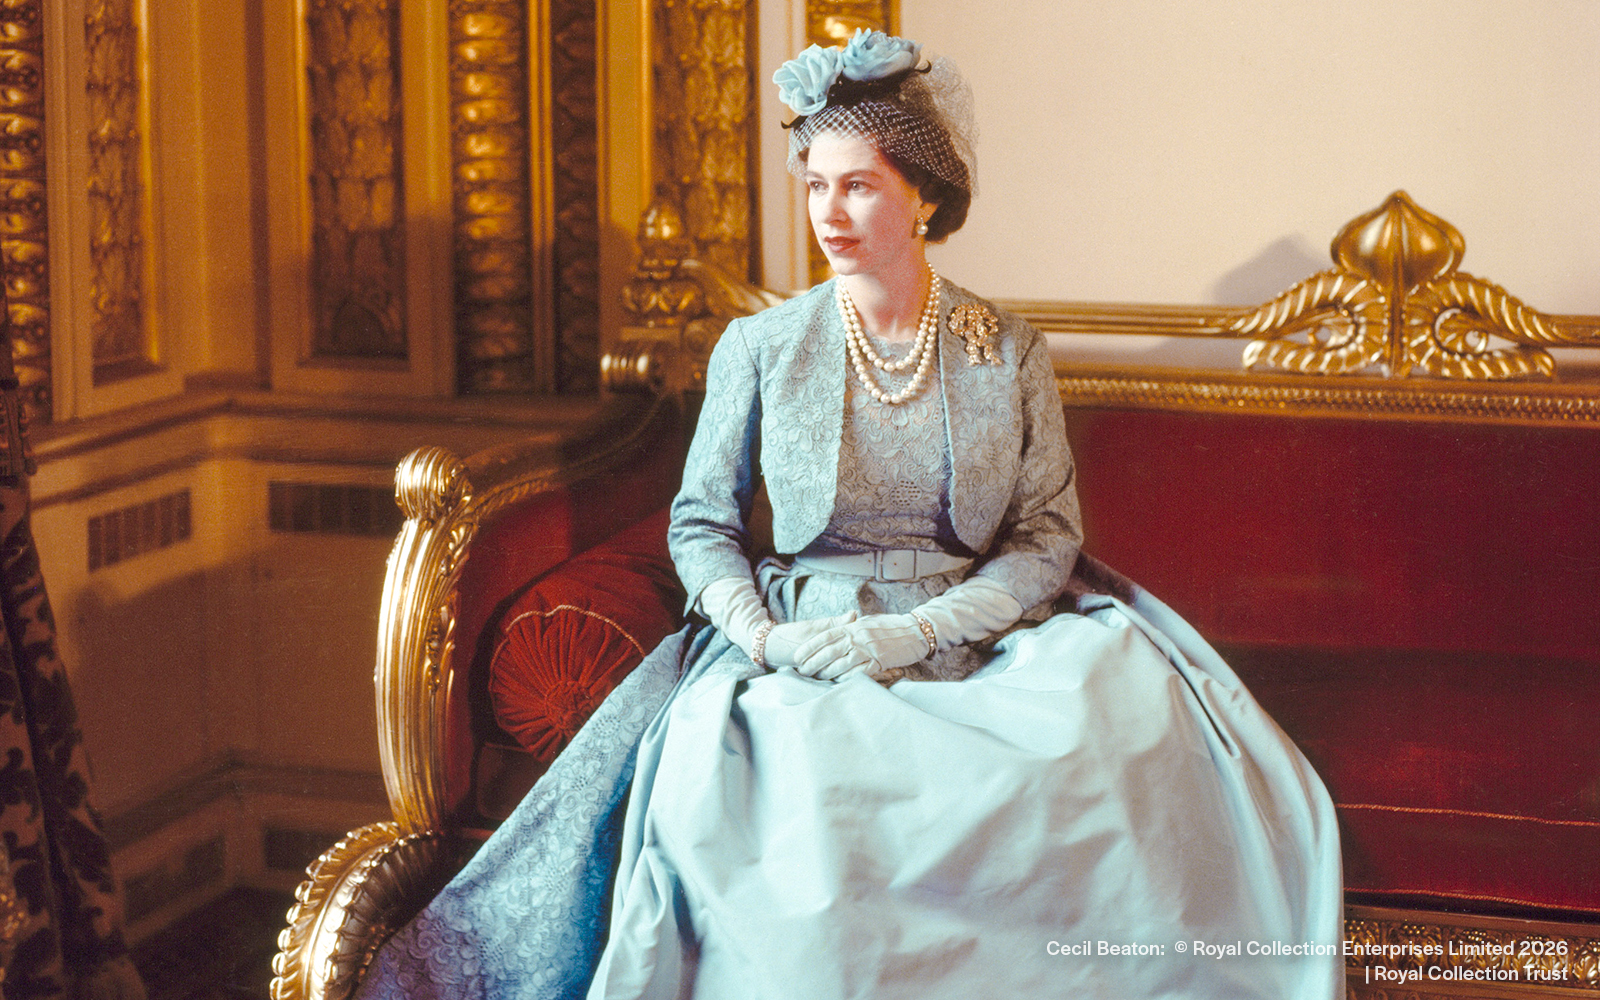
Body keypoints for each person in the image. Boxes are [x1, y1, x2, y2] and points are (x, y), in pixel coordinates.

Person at [355, 30, 1343, 1000]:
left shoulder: (1005, 348)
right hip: (801, 641)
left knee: (1105, 740)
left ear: (924, 195)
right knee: (806, 807)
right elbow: (699, 524)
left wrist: (920, 628)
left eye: (859, 184)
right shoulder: (761, 347)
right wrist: (764, 638)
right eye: (815, 184)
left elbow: (1045, 536)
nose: (829, 212)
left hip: (978, 635)